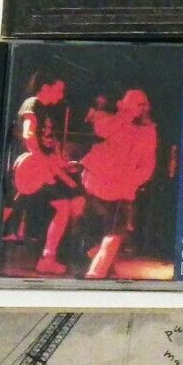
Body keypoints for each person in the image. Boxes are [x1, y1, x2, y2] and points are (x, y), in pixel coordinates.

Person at [9, 73, 84, 275]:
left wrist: (63, 166)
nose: (61, 95)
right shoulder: (32, 103)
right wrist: (47, 166)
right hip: (31, 169)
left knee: (69, 204)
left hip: (42, 169)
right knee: (63, 206)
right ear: (45, 87)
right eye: (58, 89)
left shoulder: (46, 111)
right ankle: (47, 258)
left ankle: (51, 256)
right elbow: (29, 135)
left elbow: (48, 147)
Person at [79, 88, 157, 280]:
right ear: (121, 104)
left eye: (143, 104)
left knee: (113, 234)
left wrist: (132, 181)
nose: (140, 107)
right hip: (95, 184)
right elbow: (102, 130)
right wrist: (125, 115)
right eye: (135, 103)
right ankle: (103, 267)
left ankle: (96, 273)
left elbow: (147, 165)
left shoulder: (148, 132)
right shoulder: (106, 119)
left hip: (120, 190)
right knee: (89, 233)